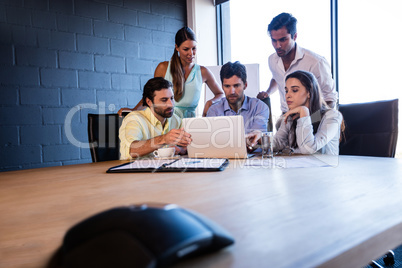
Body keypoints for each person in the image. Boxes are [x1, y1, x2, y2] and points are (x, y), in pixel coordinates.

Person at [118, 27, 224, 118]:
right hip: (166, 124)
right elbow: (151, 95)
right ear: (177, 47)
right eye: (186, 49)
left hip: (190, 126)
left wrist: (211, 102)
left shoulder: (203, 72)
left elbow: (220, 93)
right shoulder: (163, 68)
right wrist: (134, 110)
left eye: (194, 48)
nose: (191, 53)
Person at [257, 13, 338, 115]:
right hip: (286, 117)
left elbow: (330, 99)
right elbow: (277, 78)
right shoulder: (272, 60)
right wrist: (268, 92)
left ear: (294, 36)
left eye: (283, 40)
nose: (277, 46)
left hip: (312, 118)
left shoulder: (316, 62)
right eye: (274, 40)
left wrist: (311, 120)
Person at [119, 77, 192, 160]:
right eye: (164, 100)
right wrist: (163, 139)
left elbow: (186, 147)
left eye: (171, 98)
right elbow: (132, 149)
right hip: (133, 170)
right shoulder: (134, 119)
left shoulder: (176, 120)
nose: (171, 104)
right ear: (149, 102)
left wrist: (181, 150)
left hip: (165, 169)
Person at [273, 70, 343, 155]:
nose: (288, 95)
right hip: (297, 166)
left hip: (324, 168)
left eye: (294, 90)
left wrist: (304, 111)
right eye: (286, 91)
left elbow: (307, 150)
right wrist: (260, 140)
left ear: (309, 93)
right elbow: (277, 143)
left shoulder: (332, 116)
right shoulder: (292, 116)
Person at [207, 61, 269, 151]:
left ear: (245, 85)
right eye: (227, 86)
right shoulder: (214, 110)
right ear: (222, 87)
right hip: (224, 158)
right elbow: (212, 143)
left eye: (236, 86)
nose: (232, 91)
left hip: (254, 160)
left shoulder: (259, 107)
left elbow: (256, 139)